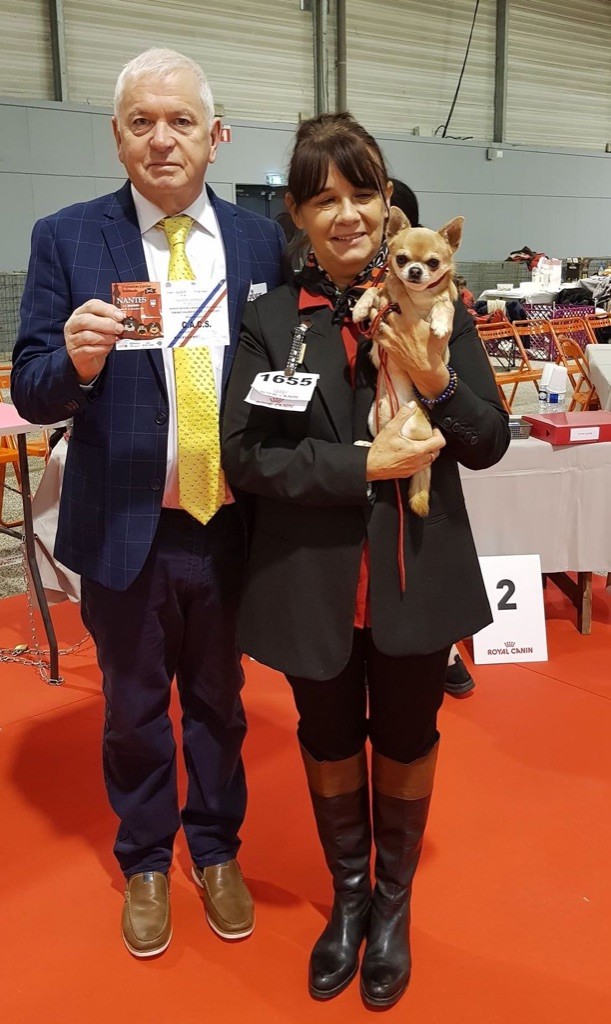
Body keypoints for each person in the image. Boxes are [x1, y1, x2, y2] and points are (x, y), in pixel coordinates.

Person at [222, 112, 510, 1008]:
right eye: (324, 199)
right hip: (310, 581)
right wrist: (361, 466)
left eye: (362, 194)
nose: (345, 214)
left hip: (414, 571)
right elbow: (245, 456)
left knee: (410, 737)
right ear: (297, 215)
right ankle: (347, 898)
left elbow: (487, 442)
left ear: (388, 205)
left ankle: (392, 905)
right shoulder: (273, 319)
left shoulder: (439, 307)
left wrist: (433, 378)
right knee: (327, 738)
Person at [11, 48, 284, 958]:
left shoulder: (260, 243)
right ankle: (145, 860)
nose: (161, 139)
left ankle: (216, 849)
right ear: (117, 137)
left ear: (216, 136)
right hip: (123, 524)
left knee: (220, 703)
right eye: (141, 122)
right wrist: (75, 361)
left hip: (230, 523)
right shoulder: (66, 238)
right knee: (132, 709)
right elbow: (33, 387)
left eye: (180, 122)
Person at [387, 179, 477, 699]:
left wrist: (432, 377)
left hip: (430, 473)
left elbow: (486, 436)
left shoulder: (454, 313)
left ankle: (442, 649)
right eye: (405, 261)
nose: (415, 271)